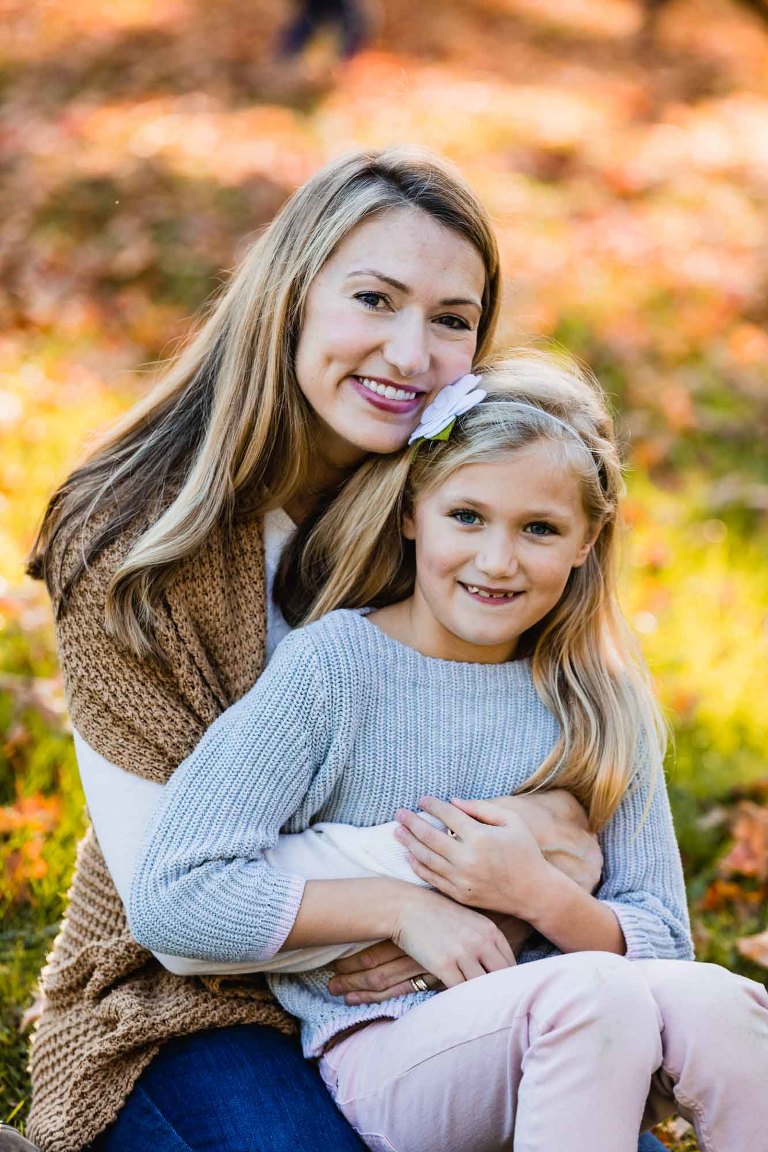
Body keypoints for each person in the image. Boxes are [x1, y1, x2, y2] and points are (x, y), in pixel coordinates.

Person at [20, 149, 661, 1152]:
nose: (411, 355)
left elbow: (576, 762)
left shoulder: (455, 517)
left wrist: (525, 848)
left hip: (435, 993)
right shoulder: (132, 544)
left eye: (453, 319)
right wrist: (435, 889)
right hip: (189, 1008)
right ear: (291, 301)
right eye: (374, 298)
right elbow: (170, 906)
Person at [128, 353, 768, 1152]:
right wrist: (409, 909)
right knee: (594, 995)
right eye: (466, 516)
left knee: (725, 1004)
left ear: (586, 541)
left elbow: (664, 937)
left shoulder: (599, 699)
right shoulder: (337, 669)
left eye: (539, 528)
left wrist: (538, 894)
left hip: (576, 1021)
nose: (497, 561)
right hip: (391, 1051)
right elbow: (174, 891)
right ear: (412, 513)